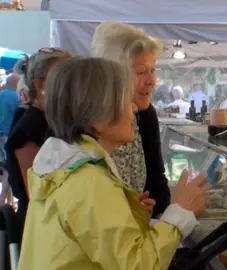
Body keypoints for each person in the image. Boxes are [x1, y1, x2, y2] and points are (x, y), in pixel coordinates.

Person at [18, 57, 210, 270]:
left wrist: (126, 214)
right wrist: (180, 212)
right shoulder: (90, 183)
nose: (134, 108)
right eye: (125, 101)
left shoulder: (61, 167)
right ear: (98, 119)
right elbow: (140, 265)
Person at [92, 21, 171, 217]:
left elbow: (156, 180)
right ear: (114, 76)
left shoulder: (146, 115)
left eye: (153, 70)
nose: (152, 81)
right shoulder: (88, 120)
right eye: (142, 72)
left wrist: (152, 206)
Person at [4, 48, 71, 229]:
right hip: (40, 229)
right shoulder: (29, 128)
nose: (72, 83)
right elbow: (38, 196)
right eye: (63, 76)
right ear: (40, 84)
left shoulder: (57, 121)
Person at [0, 74, 20, 205]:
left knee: (3, 168)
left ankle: (8, 201)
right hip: (8, 135)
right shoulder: (16, 97)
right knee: (9, 168)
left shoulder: (1, 94)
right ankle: (2, 201)